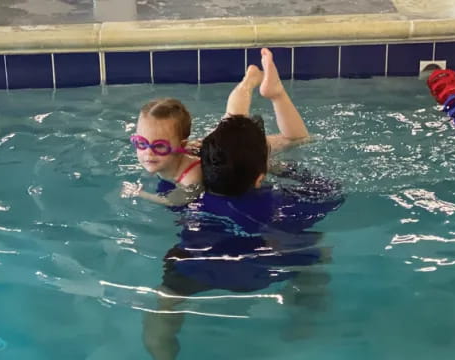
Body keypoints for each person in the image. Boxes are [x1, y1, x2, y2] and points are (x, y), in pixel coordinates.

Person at [141, 49, 344, 360]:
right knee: (318, 250)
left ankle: (161, 350)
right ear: (259, 177)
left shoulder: (191, 194)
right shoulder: (283, 203)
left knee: (166, 299)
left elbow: (175, 200)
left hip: (199, 268)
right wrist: (289, 170)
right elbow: (331, 192)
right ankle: (304, 324)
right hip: (265, 270)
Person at [121, 48, 310, 206]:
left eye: (159, 146)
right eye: (140, 143)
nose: (148, 153)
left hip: (234, 151)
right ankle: (249, 82)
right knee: (233, 116)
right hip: (219, 144)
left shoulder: (190, 177)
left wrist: (141, 194)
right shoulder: (176, 153)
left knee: (295, 140)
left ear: (181, 144)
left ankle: (270, 90)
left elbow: (176, 201)